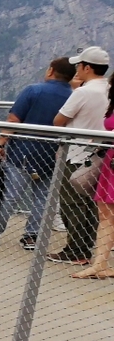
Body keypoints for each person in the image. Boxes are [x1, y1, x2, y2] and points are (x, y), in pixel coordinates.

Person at [0, 58, 75, 248]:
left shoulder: (34, 90)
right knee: (43, 198)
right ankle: (32, 236)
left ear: (50, 71)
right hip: (54, 154)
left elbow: (13, 119)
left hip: (24, 152)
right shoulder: (73, 96)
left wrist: (0, 144)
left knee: (9, 195)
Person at [48, 47, 111, 266]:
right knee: (92, 203)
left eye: (79, 66)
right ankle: (87, 246)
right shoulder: (109, 89)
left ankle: (75, 249)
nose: (77, 70)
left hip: (76, 153)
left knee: (71, 202)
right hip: (100, 154)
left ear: (87, 67)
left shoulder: (83, 92)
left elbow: (59, 120)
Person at [72, 79, 114, 279]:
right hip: (110, 161)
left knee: (107, 214)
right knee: (105, 213)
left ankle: (100, 265)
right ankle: (99, 265)